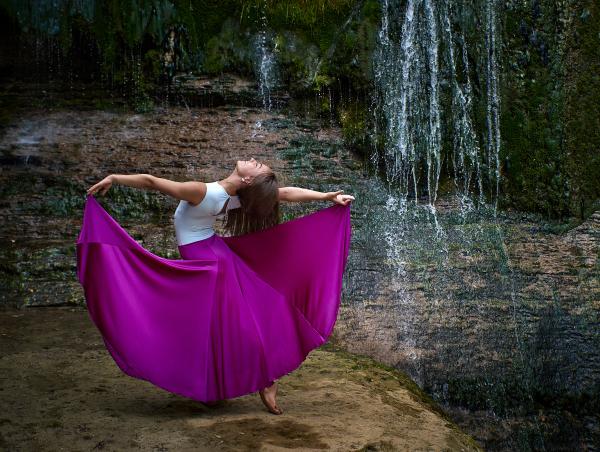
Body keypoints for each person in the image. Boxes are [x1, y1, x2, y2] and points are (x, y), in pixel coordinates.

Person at [78, 157, 354, 415]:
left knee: (235, 323)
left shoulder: (203, 192)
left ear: (248, 179)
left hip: (209, 263)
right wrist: (325, 196)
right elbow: (284, 194)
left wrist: (114, 177)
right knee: (223, 324)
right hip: (215, 254)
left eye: (257, 165)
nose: (253, 160)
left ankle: (264, 379)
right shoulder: (233, 195)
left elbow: (152, 182)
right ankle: (218, 384)